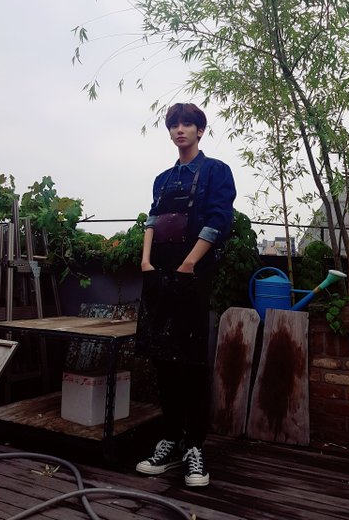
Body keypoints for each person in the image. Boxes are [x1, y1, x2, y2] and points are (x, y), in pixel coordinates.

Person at [134, 102, 236, 487]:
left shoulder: (215, 171)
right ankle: (170, 439)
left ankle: (194, 446)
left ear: (200, 131)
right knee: (162, 358)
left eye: (187, 124)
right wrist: (146, 262)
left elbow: (219, 220)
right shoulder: (163, 179)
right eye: (174, 125)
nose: (179, 130)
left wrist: (190, 262)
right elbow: (152, 220)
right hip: (158, 275)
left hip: (193, 274)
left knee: (191, 361)